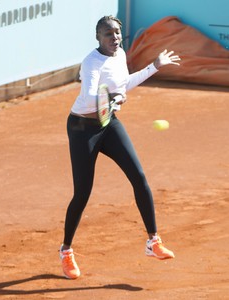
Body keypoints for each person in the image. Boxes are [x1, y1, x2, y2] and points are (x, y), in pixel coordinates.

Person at [59, 15, 181, 279]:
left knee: (139, 177)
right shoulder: (92, 62)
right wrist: (112, 97)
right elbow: (90, 97)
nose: (113, 37)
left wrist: (154, 66)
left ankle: (153, 241)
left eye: (116, 32)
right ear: (97, 37)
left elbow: (123, 85)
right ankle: (66, 250)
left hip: (108, 122)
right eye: (107, 34)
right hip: (82, 129)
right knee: (82, 192)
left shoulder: (120, 54)